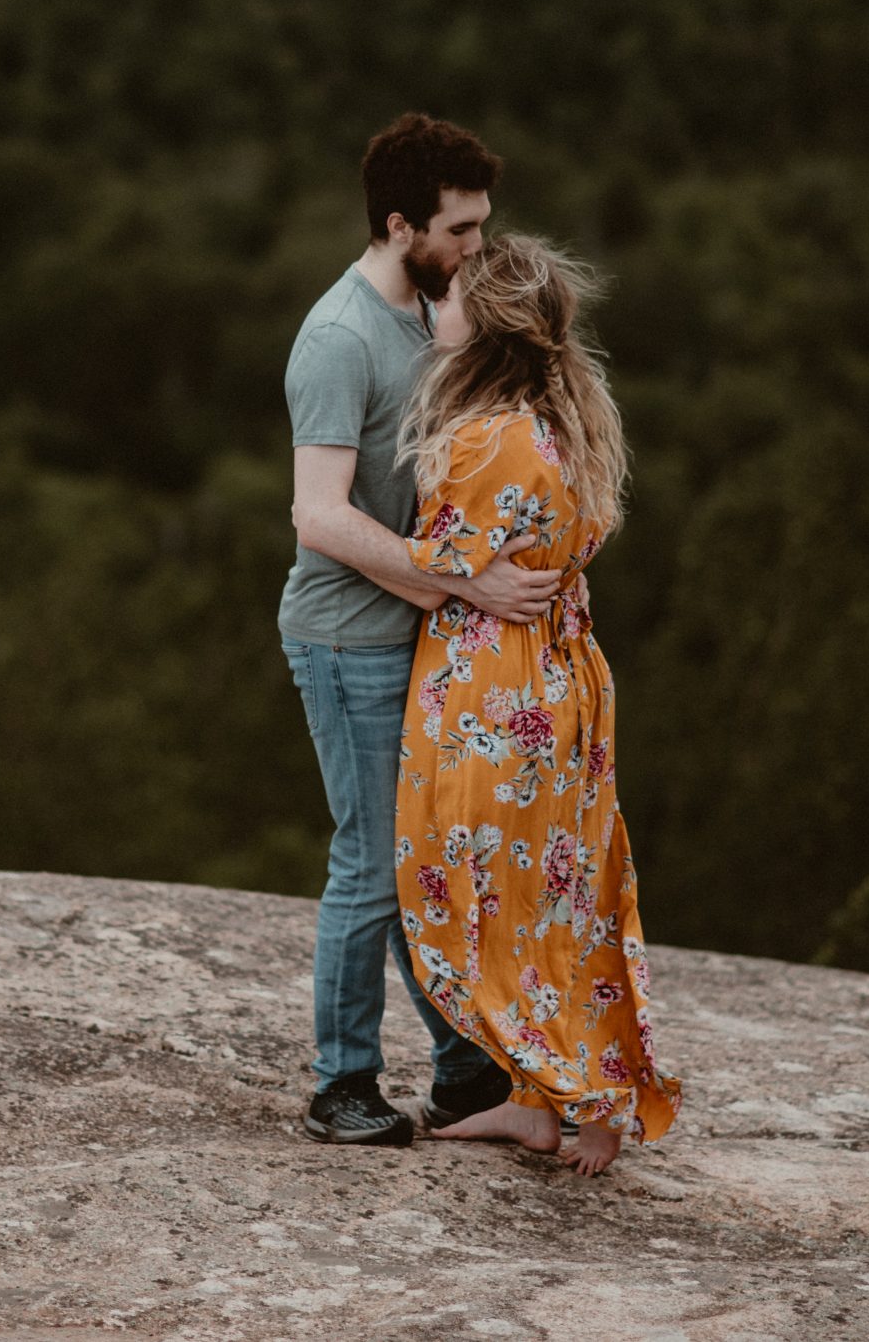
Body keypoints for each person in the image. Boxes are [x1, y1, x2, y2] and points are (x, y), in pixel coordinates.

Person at [282, 113, 563, 1146]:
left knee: (426, 857)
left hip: (418, 637)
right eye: (462, 230)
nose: (478, 249)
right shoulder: (339, 337)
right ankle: (340, 1085)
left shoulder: (431, 313)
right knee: (369, 862)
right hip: (347, 639)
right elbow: (316, 515)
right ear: (402, 226)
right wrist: (462, 588)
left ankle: (458, 1071)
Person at [392, 233, 682, 1176]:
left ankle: (578, 1097)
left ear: (486, 325)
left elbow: (432, 561)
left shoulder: (487, 438)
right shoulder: (566, 421)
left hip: (495, 688)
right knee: (562, 894)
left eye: (450, 299)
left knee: (478, 893)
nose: (436, 308)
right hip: (562, 682)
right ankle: (548, 1104)